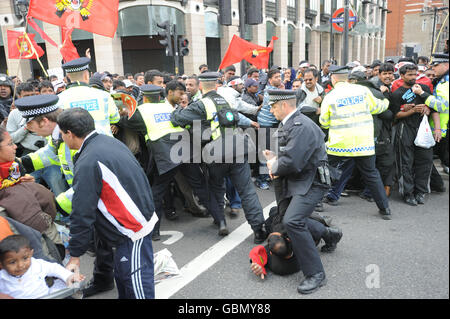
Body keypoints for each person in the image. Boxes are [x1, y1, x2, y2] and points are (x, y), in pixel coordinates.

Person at [59, 108, 158, 299]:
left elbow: (82, 211)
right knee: (124, 279)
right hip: (135, 221)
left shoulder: (88, 160)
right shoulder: (107, 141)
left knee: (137, 287)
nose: (62, 138)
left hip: (131, 230)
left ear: (70, 134)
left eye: (62, 133)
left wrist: (75, 255)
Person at [170, 72, 267, 242]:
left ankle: (221, 222)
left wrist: (179, 106)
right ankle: (259, 230)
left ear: (201, 86)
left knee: (216, 188)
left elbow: (177, 119)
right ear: (216, 84)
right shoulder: (226, 100)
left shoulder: (200, 105)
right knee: (247, 191)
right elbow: (238, 118)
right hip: (237, 149)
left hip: (216, 154)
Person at [263, 89, 339, 294]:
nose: (270, 110)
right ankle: (329, 234)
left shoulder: (300, 125)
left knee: (292, 221)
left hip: (311, 182)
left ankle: (316, 274)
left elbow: (293, 162)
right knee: (289, 218)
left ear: (284, 105)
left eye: (272, 106)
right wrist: (275, 158)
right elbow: (289, 155)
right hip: (300, 179)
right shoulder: (290, 123)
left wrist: (273, 164)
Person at [122, 83, 209, 241]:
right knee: (197, 183)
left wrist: (123, 114)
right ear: (161, 95)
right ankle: (217, 217)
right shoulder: (168, 107)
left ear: (145, 98)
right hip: (181, 152)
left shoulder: (141, 110)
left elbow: (126, 122)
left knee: (158, 192)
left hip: (163, 156)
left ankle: (154, 230)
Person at [320, 65, 392, 220]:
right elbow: (378, 107)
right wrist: (386, 100)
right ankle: (384, 208)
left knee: (325, 171)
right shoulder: (362, 91)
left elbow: (324, 122)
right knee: (372, 174)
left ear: (333, 78)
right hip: (363, 144)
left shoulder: (330, 96)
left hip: (339, 145)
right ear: (347, 78)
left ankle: (317, 202)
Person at [0, 126, 62, 247]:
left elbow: (45, 199)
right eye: (10, 144)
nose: (15, 147)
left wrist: (30, 184)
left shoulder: (15, 164)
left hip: (41, 228)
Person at [391, 63, 434, 206]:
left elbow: (434, 108)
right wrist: (410, 110)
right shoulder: (397, 94)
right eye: (409, 75)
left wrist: (426, 109)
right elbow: (395, 115)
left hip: (423, 128)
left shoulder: (424, 89)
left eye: (415, 74)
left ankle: (421, 191)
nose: (413, 77)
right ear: (402, 76)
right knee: (405, 162)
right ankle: (408, 193)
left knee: (425, 160)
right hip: (405, 129)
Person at [0, 234, 85, 299]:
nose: (21, 265)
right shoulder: (2, 277)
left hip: (46, 296)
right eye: (12, 262)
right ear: (2, 264)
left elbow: (55, 268)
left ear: (31, 254)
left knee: (68, 285)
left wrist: (68, 276)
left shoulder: (37, 265)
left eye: (25, 258)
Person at [57, 57, 120, 136]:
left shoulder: (59, 99)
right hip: (103, 143)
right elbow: (115, 118)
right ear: (87, 75)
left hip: (75, 147)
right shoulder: (104, 96)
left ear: (68, 77)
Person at [255, 68, 282, 190]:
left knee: (271, 152)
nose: (279, 79)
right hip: (266, 125)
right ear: (270, 80)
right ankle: (261, 180)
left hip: (272, 125)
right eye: (276, 77)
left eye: (279, 76)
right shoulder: (272, 91)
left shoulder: (275, 90)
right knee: (266, 153)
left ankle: (266, 176)